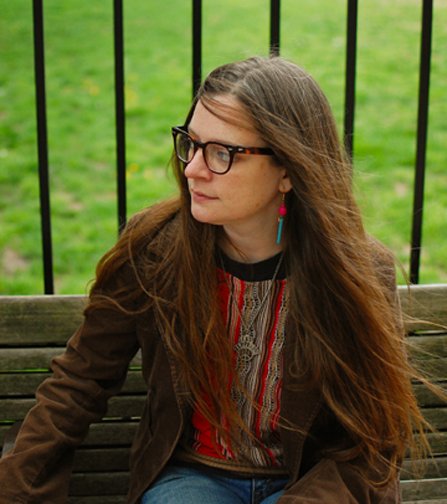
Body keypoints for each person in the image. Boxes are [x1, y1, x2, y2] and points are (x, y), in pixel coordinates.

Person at [0, 56, 432, 503]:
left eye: (223, 153)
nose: (193, 169)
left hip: (311, 482)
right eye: (191, 143)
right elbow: (79, 382)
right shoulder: (155, 250)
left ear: (288, 170)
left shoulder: (356, 270)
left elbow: (374, 438)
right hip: (195, 478)